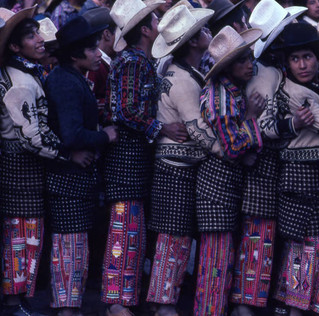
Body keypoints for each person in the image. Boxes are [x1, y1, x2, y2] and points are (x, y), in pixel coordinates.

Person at [101, 0, 188, 314]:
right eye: (153, 19)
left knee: (132, 229)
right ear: (147, 30)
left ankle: (125, 297)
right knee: (124, 229)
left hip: (135, 157)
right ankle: (116, 301)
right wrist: (160, 126)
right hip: (126, 158)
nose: (157, 22)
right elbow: (124, 110)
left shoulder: (140, 59)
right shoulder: (133, 62)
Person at [0, 7, 79, 315]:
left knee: (22, 233)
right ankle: (12, 298)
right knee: (21, 234)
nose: (39, 40)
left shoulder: (27, 73)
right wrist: (68, 153)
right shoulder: (20, 81)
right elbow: (32, 138)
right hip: (21, 167)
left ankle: (16, 296)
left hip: (25, 167)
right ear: (15, 47)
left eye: (37, 33)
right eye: (30, 36)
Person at [230, 1, 306, 315]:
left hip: (264, 164)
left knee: (261, 235)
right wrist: (291, 126)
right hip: (261, 164)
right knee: (256, 235)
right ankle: (245, 304)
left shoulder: (268, 70)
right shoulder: (268, 74)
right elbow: (262, 123)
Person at [146, 5, 219, 316]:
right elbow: (200, 133)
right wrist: (229, 149)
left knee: (174, 236)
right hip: (177, 168)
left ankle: (165, 300)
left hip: (173, 166)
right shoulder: (185, 81)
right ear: (191, 42)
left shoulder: (179, 72)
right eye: (203, 31)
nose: (208, 34)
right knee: (173, 237)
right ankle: (163, 305)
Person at [44, 16, 118, 316]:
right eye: (91, 48)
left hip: (75, 180)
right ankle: (66, 309)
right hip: (68, 181)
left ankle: (68, 307)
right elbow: (71, 134)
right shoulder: (65, 81)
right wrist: (104, 136)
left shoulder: (70, 76)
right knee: (70, 248)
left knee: (74, 248)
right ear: (76, 55)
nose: (98, 52)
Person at [273, 23, 319, 316]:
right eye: (295, 59)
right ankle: (296, 308)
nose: (303, 64)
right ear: (286, 63)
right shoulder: (298, 94)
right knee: (305, 244)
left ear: (318, 58)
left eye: (308, 57)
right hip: (299, 175)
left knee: (305, 244)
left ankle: (293, 305)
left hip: (311, 175)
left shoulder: (313, 86)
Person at [194, 25, 264, 316]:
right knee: (215, 262)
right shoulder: (219, 98)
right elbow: (233, 147)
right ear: (228, 67)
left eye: (250, 58)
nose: (250, 65)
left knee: (222, 259)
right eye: (242, 61)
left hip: (227, 186)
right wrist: (251, 117)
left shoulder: (232, 91)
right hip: (215, 188)